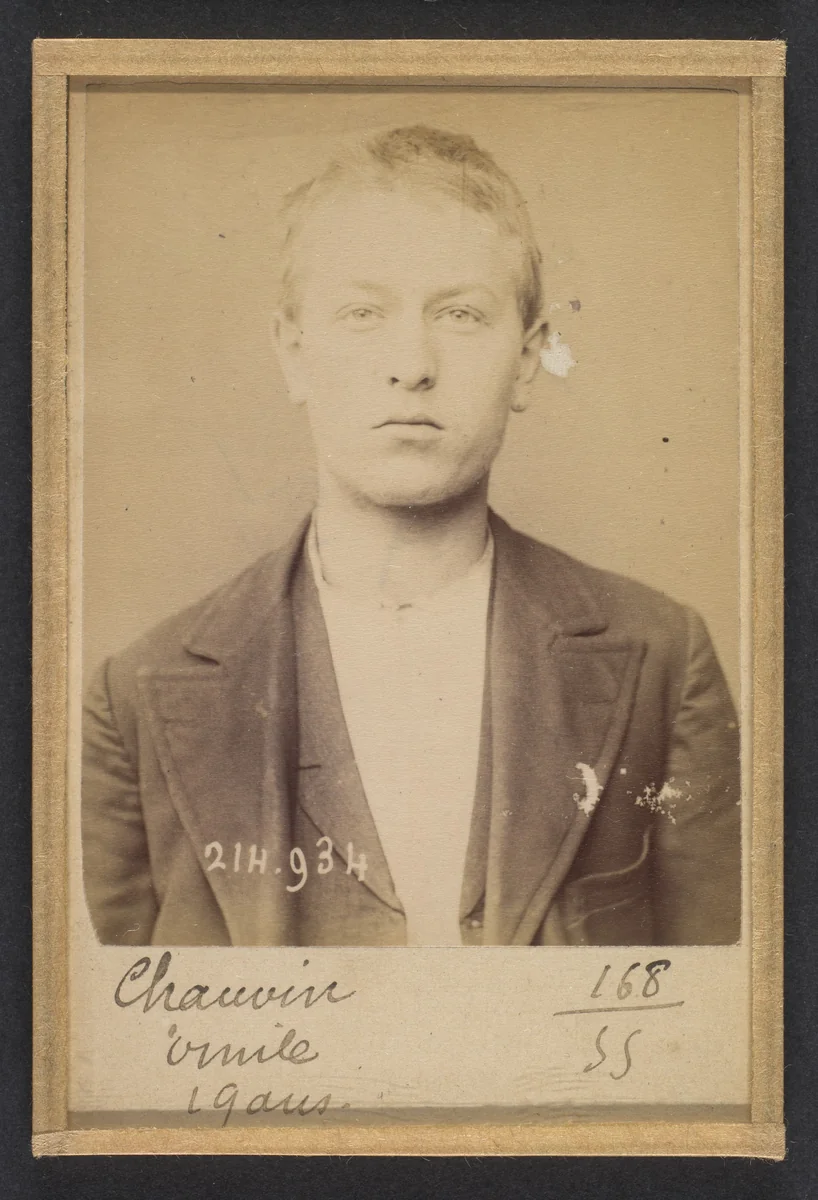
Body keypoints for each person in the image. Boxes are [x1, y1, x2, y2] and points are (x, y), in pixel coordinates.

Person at [82, 124, 741, 948]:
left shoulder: (664, 659)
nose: (411, 363)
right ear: (294, 352)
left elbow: (720, 1023)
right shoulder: (135, 695)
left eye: (460, 314)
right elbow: (125, 1045)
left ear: (530, 358)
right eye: (362, 313)